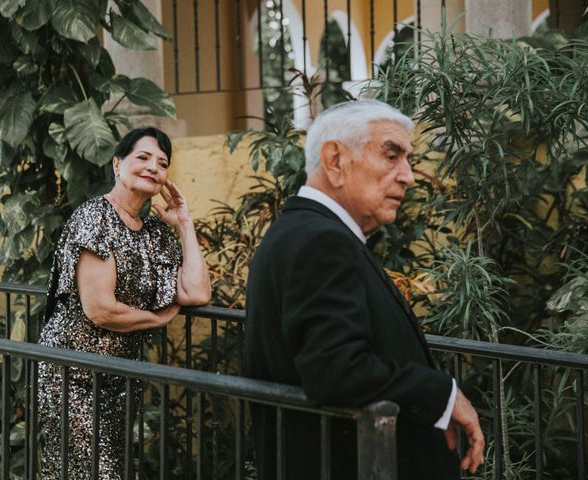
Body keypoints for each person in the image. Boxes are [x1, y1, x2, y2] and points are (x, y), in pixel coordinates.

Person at [244, 100, 485, 480]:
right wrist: (442, 392)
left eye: (407, 159)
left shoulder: (297, 230)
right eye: (392, 156)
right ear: (335, 160)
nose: (408, 175)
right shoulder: (321, 241)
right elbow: (336, 370)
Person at [38, 127, 211, 479]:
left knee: (112, 468)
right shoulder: (95, 218)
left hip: (120, 376)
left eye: (162, 164)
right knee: (90, 472)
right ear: (118, 164)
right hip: (73, 371)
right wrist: (158, 319)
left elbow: (196, 293)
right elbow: (100, 309)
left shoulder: (153, 231)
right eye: (143, 158)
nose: (153, 168)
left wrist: (184, 224)